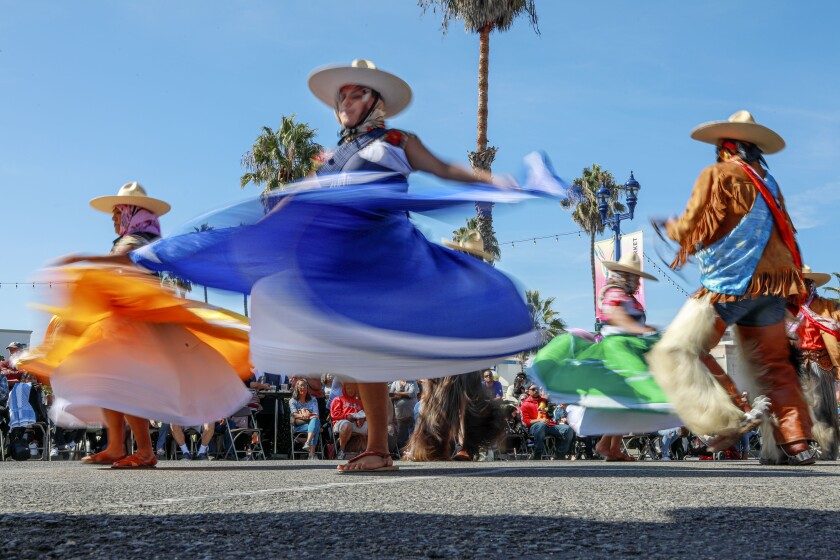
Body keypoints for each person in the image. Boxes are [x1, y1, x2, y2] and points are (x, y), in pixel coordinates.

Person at [130, 59, 570, 473]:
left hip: (385, 254)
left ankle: (382, 445)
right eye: (340, 97)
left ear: (376, 101)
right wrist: (255, 234)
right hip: (344, 259)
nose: (343, 103)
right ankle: (378, 448)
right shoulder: (332, 157)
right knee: (341, 340)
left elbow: (446, 170)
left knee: (373, 344)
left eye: (354, 95)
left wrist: (499, 183)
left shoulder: (398, 142)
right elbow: (300, 201)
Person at [21, 182, 253, 469]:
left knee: (126, 385)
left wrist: (81, 259)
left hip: (137, 325)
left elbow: (121, 262)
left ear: (132, 211)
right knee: (110, 382)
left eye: (118, 211)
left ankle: (144, 451)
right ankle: (117, 446)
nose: (113, 217)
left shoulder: (138, 239)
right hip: (124, 322)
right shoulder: (135, 238)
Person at [647, 110, 815, 465]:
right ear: (753, 149)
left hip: (729, 286)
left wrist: (671, 228)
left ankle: (733, 418)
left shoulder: (718, 174)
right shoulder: (768, 181)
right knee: (776, 366)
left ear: (725, 148)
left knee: (680, 350)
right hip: (773, 286)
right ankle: (796, 443)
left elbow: (694, 222)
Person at [531, 253, 681, 452]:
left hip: (631, 347)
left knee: (625, 400)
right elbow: (616, 316)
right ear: (625, 275)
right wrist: (639, 329)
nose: (638, 282)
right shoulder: (614, 292)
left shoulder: (629, 298)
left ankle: (609, 446)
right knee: (633, 395)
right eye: (635, 277)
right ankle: (608, 446)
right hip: (617, 349)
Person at [787, 265, 840, 459]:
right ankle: (800, 448)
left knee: (823, 409)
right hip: (796, 364)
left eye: (803, 283)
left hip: (820, 362)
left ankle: (826, 450)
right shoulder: (785, 310)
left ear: (811, 285)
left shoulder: (827, 307)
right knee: (797, 409)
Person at [519, 384, 573, 459]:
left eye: (537, 388)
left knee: (568, 429)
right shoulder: (525, 405)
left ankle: (560, 453)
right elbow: (526, 422)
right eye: (534, 389)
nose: (536, 390)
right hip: (535, 427)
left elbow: (553, 412)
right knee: (541, 425)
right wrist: (540, 420)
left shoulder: (545, 401)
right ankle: (538, 452)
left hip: (550, 426)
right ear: (528, 391)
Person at [330, 382, 368, 461]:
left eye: (352, 388)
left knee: (371, 427)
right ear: (344, 389)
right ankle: (341, 451)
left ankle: (367, 451)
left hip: (356, 423)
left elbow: (365, 414)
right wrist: (346, 416)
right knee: (347, 425)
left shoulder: (359, 402)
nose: (351, 390)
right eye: (348, 388)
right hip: (341, 422)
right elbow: (334, 415)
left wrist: (362, 419)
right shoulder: (338, 399)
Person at [290, 378, 322, 460]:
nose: (303, 387)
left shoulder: (313, 399)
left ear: (307, 388)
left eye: (305, 386)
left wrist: (309, 415)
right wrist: (305, 415)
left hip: (312, 422)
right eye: (301, 386)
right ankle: (311, 454)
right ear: (297, 387)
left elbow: (316, 414)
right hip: (299, 426)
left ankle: (308, 443)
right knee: (316, 425)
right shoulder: (293, 400)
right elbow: (294, 415)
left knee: (315, 421)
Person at [389, 379, 418, 449]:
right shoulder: (395, 382)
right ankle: (401, 451)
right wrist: (404, 394)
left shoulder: (412, 382)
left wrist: (398, 393)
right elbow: (390, 394)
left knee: (413, 432)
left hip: (412, 413)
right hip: (400, 414)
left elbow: (412, 393)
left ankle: (412, 450)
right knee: (401, 434)